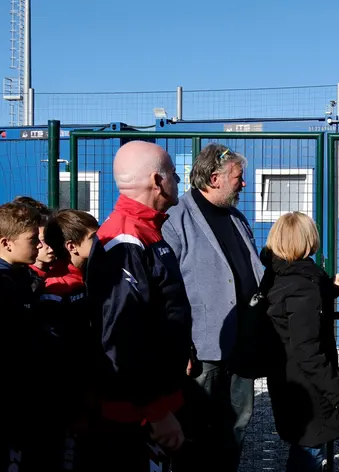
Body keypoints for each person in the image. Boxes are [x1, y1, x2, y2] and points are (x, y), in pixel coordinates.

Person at [85, 140, 192, 471]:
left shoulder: (148, 230)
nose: (179, 181)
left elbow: (159, 310)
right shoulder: (125, 239)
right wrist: (157, 412)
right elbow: (121, 336)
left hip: (156, 400)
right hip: (137, 415)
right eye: (174, 173)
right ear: (157, 181)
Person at [161, 143, 262, 472]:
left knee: (237, 425)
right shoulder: (177, 218)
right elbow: (167, 287)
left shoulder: (237, 217)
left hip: (242, 344)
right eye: (238, 177)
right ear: (214, 178)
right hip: (203, 350)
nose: (243, 184)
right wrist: (182, 344)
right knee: (197, 428)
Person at [262, 211, 339, 472]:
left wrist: (332, 287)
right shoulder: (302, 286)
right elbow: (307, 350)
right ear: (308, 241)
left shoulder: (276, 275)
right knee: (309, 450)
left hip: (286, 380)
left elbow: (303, 292)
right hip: (308, 388)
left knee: (305, 445)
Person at [36, 209, 101, 470]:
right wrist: (76, 405)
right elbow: (59, 355)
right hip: (71, 401)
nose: (101, 242)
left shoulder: (89, 277)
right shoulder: (58, 288)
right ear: (72, 247)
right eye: (94, 238)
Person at [0, 201, 42, 471]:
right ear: (6, 243)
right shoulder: (3, 286)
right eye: (32, 239)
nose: (39, 244)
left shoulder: (24, 277)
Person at [13, 196, 56, 289]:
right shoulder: (21, 279)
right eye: (44, 240)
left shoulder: (58, 269)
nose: (51, 247)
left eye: (52, 239)